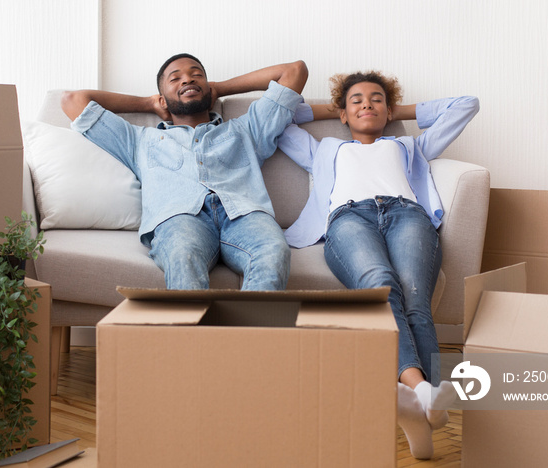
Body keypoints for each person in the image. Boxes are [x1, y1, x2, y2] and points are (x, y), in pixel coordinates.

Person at [278, 71, 479, 459]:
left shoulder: (409, 146)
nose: (366, 105)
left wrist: (393, 109)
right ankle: (424, 391)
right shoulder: (323, 149)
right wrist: (336, 110)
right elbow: (276, 117)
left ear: (388, 110)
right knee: (381, 282)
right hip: (349, 219)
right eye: (356, 100)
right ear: (342, 113)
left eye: (375, 99)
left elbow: (465, 105)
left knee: (415, 297)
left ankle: (419, 408)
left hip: (407, 215)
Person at [61, 54, 308, 291]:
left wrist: (219, 88)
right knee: (182, 254)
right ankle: (192, 335)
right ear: (162, 96)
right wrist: (148, 103)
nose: (188, 80)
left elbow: (294, 71)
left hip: (245, 214)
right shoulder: (139, 140)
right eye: (175, 78)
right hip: (180, 219)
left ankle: (247, 336)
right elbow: (73, 100)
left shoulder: (248, 129)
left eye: (196, 75)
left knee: (273, 249)